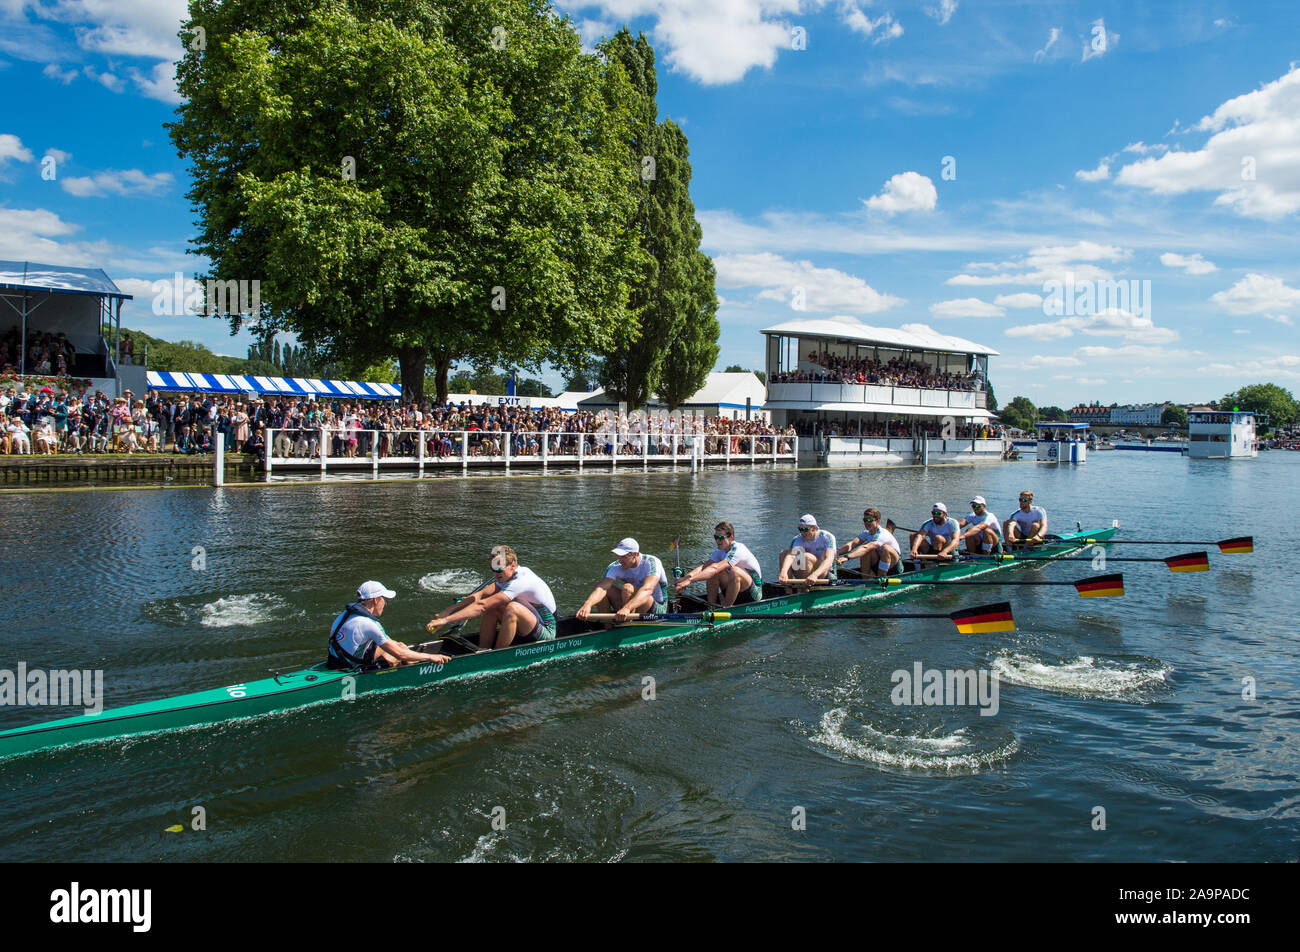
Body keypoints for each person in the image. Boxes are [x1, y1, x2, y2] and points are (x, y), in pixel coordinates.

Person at [425, 545, 557, 650]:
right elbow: (479, 596)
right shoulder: (509, 575)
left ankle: (497, 655)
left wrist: (445, 621)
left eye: (499, 569)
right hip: (530, 624)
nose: (496, 573)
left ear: (512, 566)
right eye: (493, 569)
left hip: (547, 631)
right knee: (493, 607)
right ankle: (483, 650)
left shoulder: (521, 581)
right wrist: (448, 611)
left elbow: (481, 606)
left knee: (512, 608)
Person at [326, 581, 449, 670]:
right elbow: (399, 654)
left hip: (334, 660)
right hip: (349, 666)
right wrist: (430, 657)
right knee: (399, 653)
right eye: (384, 599)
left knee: (399, 646)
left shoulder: (346, 614)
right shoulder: (370, 624)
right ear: (376, 600)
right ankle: (417, 670)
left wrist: (391, 650)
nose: (385, 604)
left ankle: (407, 662)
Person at [576, 537, 668, 623]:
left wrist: (627, 608)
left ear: (635, 554)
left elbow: (647, 590)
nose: (619, 560)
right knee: (600, 586)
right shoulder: (615, 566)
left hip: (657, 608)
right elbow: (602, 589)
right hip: (630, 606)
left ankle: (627, 624)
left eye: (623, 556)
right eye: (618, 556)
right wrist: (587, 605)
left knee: (627, 588)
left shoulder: (651, 562)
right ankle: (608, 627)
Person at [675, 522, 763, 606]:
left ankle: (726, 609)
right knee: (710, 570)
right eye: (715, 537)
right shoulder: (719, 551)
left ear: (731, 537)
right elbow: (704, 567)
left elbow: (715, 568)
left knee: (734, 571)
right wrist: (685, 579)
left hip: (754, 594)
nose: (717, 540)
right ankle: (711, 607)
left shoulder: (738, 549)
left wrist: (690, 581)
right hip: (736, 589)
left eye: (721, 537)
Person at [836, 508, 901, 576]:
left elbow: (866, 548)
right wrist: (836, 554)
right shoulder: (866, 533)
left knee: (885, 548)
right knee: (866, 552)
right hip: (879, 563)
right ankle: (866, 579)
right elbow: (852, 544)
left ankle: (881, 577)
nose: (866, 523)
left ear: (878, 521)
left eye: (869, 520)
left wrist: (847, 557)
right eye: (865, 520)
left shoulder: (882, 534)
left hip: (894, 567)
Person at [778, 514, 837, 587]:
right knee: (784, 554)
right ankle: (788, 588)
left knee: (806, 557)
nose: (802, 533)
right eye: (800, 529)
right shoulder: (797, 539)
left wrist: (815, 575)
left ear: (814, 528)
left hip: (823, 573)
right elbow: (791, 557)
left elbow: (829, 560)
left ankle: (805, 589)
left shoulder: (826, 537)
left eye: (805, 530)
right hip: (804, 572)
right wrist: (783, 572)